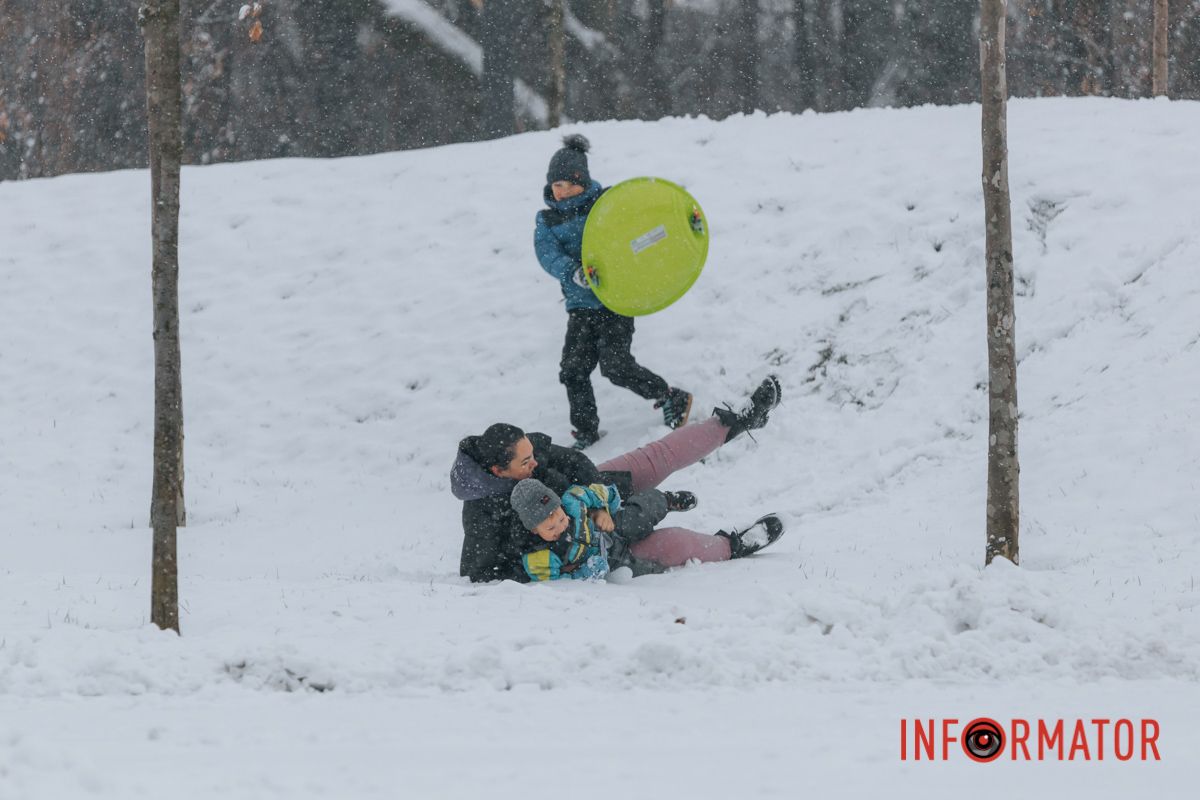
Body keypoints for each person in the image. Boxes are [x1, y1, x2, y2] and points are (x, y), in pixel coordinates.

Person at [451, 375, 783, 583]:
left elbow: (575, 460)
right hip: (596, 547)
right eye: (526, 461)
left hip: (593, 494)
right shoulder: (482, 513)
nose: (535, 461)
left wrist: (597, 498)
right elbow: (479, 572)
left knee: (656, 456)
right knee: (676, 544)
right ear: (499, 471)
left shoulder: (523, 449)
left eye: (532, 453)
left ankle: (735, 422)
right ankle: (733, 545)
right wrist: (546, 558)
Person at [534, 133, 692, 450]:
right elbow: (547, 253)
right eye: (555, 185)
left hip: (616, 301)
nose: (559, 191)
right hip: (580, 307)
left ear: (582, 182)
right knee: (573, 370)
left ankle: (670, 396)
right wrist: (571, 272)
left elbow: (639, 229)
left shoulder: (606, 204)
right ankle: (586, 430)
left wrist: (678, 222)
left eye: (566, 184)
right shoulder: (549, 219)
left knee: (615, 366)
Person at [510, 477, 784, 583]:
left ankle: (665, 500)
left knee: (635, 518)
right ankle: (730, 548)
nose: (560, 524)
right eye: (550, 526)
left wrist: (605, 506)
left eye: (558, 516)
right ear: (533, 530)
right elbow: (557, 589)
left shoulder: (575, 500)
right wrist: (587, 572)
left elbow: (608, 493)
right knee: (659, 560)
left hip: (612, 530)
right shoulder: (540, 558)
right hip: (614, 563)